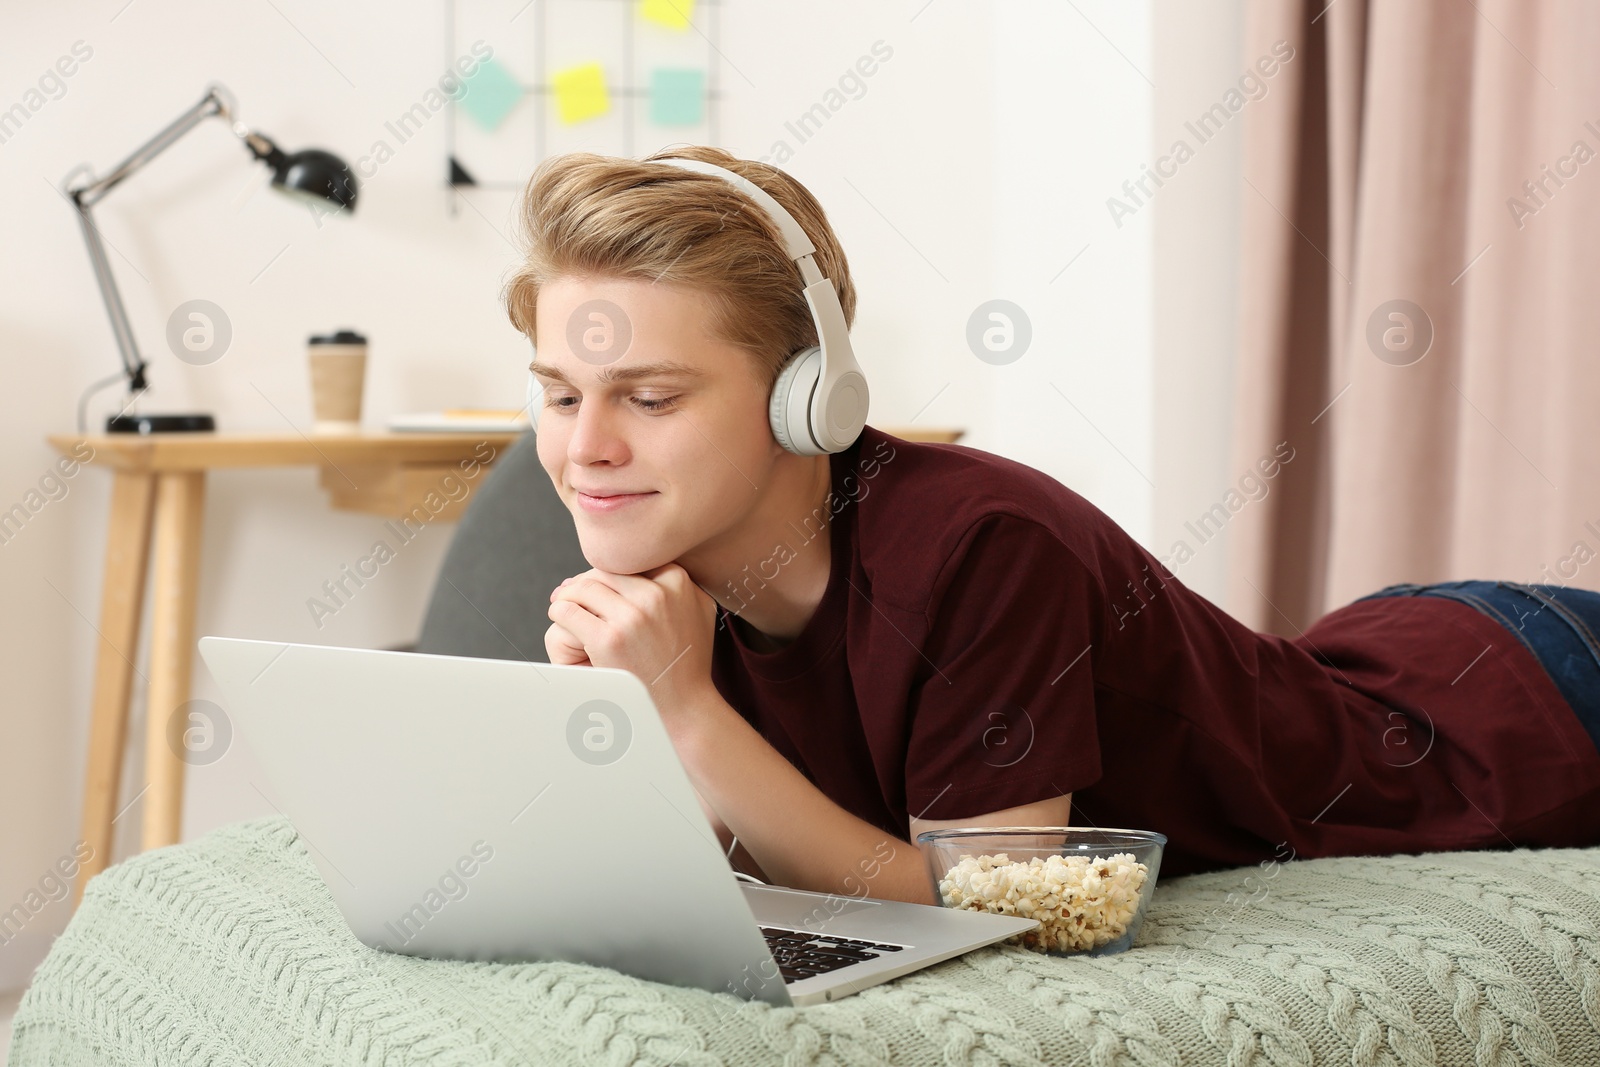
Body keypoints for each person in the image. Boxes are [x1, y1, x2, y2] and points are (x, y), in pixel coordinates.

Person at [502, 145, 1600, 905]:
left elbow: (989, 899)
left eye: (649, 397)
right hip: (1379, 644)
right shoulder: (651, 550)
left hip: (1515, 703)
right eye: (560, 394)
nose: (586, 446)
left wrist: (683, 714)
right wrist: (632, 730)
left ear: (809, 396)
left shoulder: (980, 545)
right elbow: (742, 852)